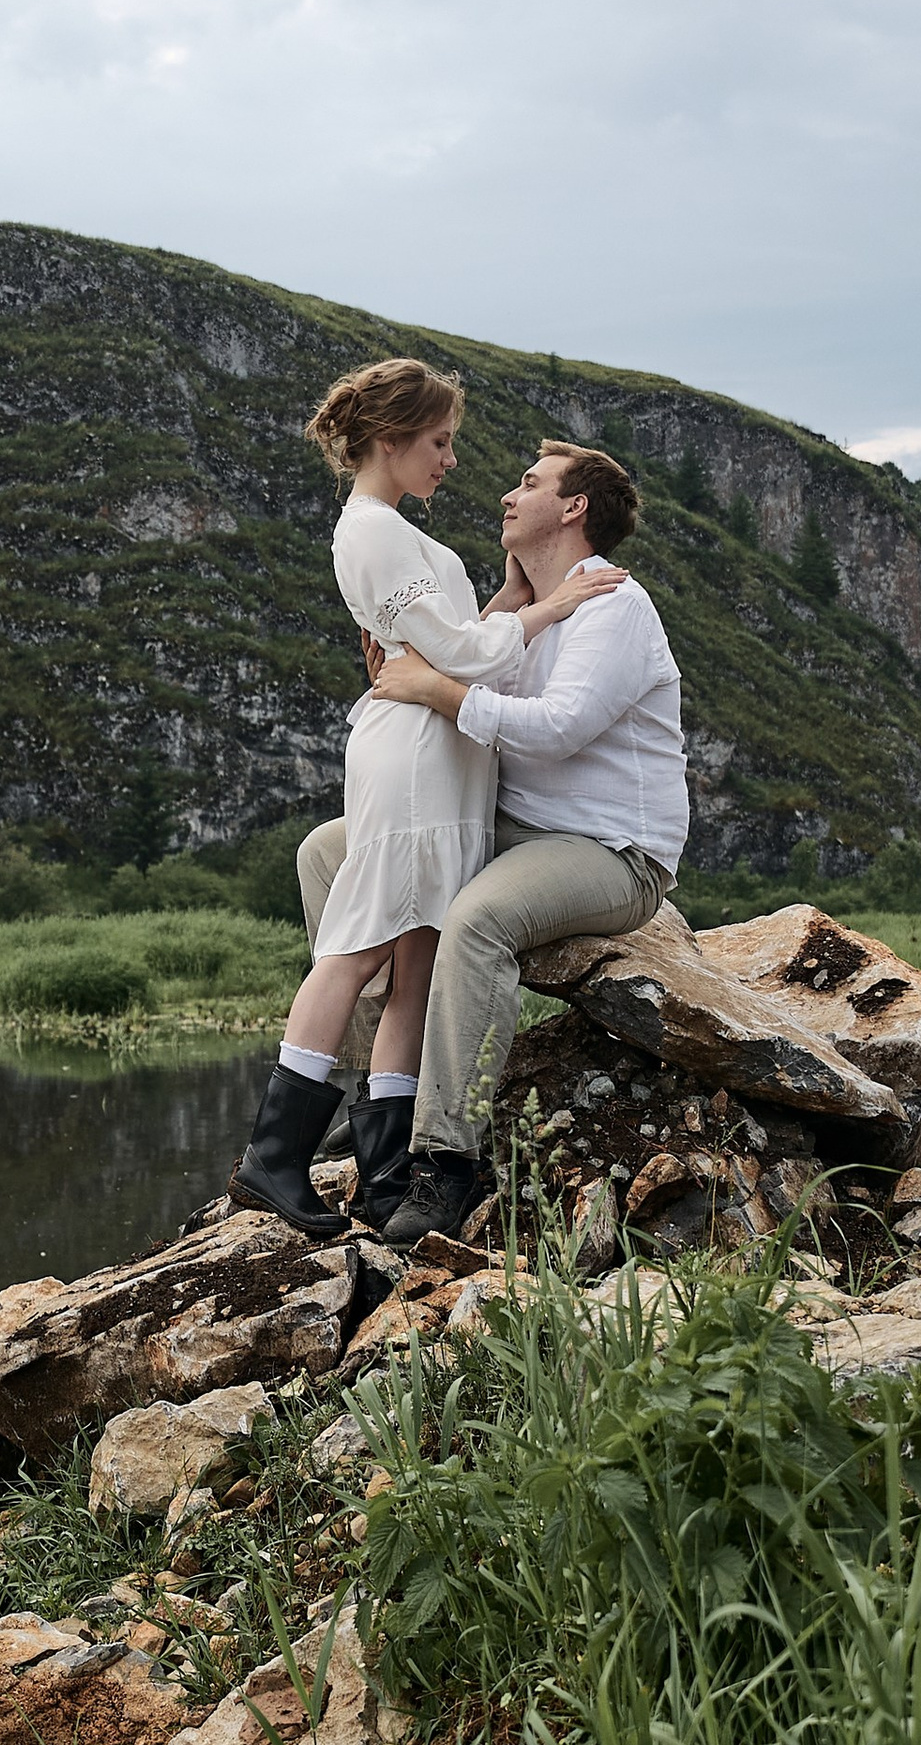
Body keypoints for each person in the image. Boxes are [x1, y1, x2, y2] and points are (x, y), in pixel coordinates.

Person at [227, 360, 600, 1235]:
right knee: (357, 948)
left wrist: (510, 592)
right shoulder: (370, 532)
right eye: (439, 442)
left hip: (446, 760)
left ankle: (388, 1175)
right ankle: (272, 1159)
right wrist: (553, 606)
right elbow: (461, 656)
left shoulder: (395, 528)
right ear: (391, 441)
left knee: (417, 966)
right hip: (411, 760)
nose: (451, 460)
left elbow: (455, 638)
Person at [294, 437, 687, 1243]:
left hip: (612, 850)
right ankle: (383, 1102)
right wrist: (474, 629)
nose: (510, 493)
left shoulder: (612, 605)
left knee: (476, 919)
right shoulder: (524, 611)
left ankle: (447, 1162)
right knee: (328, 855)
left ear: (574, 509)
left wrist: (433, 684)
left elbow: (556, 730)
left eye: (531, 482)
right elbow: (434, 673)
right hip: (515, 829)